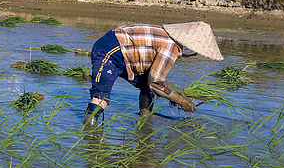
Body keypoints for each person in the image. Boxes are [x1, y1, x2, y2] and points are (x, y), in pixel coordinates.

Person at [83, 21, 223, 127]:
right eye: (196, 52)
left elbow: (155, 79)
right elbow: (155, 83)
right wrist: (181, 100)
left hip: (127, 54)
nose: (194, 55)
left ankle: (144, 120)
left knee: (147, 87)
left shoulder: (169, 41)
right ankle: (89, 137)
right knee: (100, 98)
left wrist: (175, 91)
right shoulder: (171, 47)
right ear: (190, 47)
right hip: (109, 50)